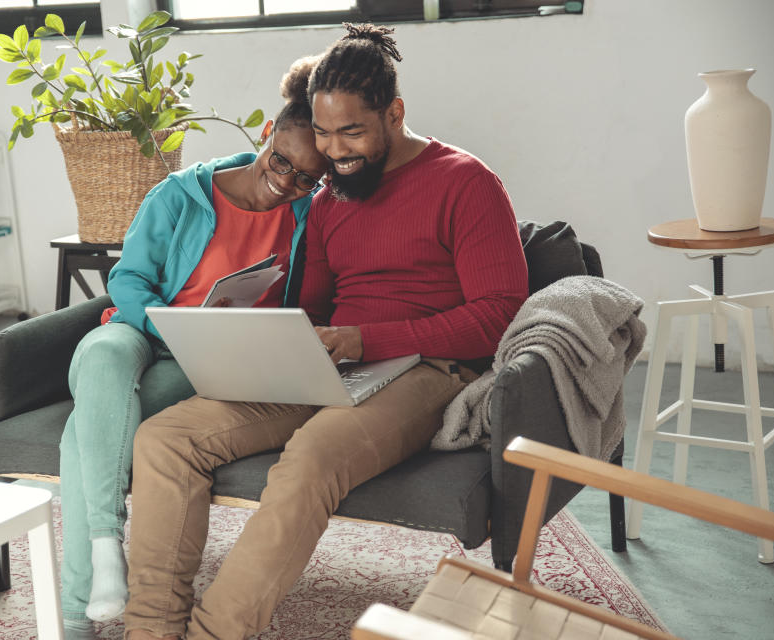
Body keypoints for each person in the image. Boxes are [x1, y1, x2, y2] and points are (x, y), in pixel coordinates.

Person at [123, 23, 530, 640]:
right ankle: (149, 632)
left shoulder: (466, 183)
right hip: (331, 360)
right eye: (322, 130)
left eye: (352, 132)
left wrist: (368, 340)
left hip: (428, 367)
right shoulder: (332, 195)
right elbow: (310, 305)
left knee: (310, 458)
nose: (334, 151)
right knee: (166, 437)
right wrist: (265, 335)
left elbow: (500, 313)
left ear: (394, 113)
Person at [58, 56, 328, 640]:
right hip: (140, 329)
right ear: (266, 134)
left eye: (307, 177)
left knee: (87, 426)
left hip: (202, 360)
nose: (288, 180)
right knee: (103, 358)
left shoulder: (307, 216)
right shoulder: (181, 194)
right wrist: (167, 326)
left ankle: (79, 611)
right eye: (282, 160)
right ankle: (108, 542)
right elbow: (127, 280)